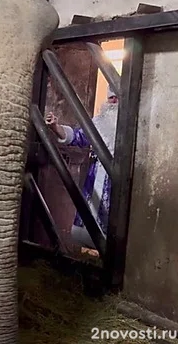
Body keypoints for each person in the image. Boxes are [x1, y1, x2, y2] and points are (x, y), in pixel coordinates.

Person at [45, 85, 119, 249]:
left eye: (117, 98)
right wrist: (56, 128)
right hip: (95, 178)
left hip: (118, 181)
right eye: (110, 98)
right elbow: (79, 137)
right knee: (89, 223)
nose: (113, 101)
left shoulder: (131, 126)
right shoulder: (99, 122)